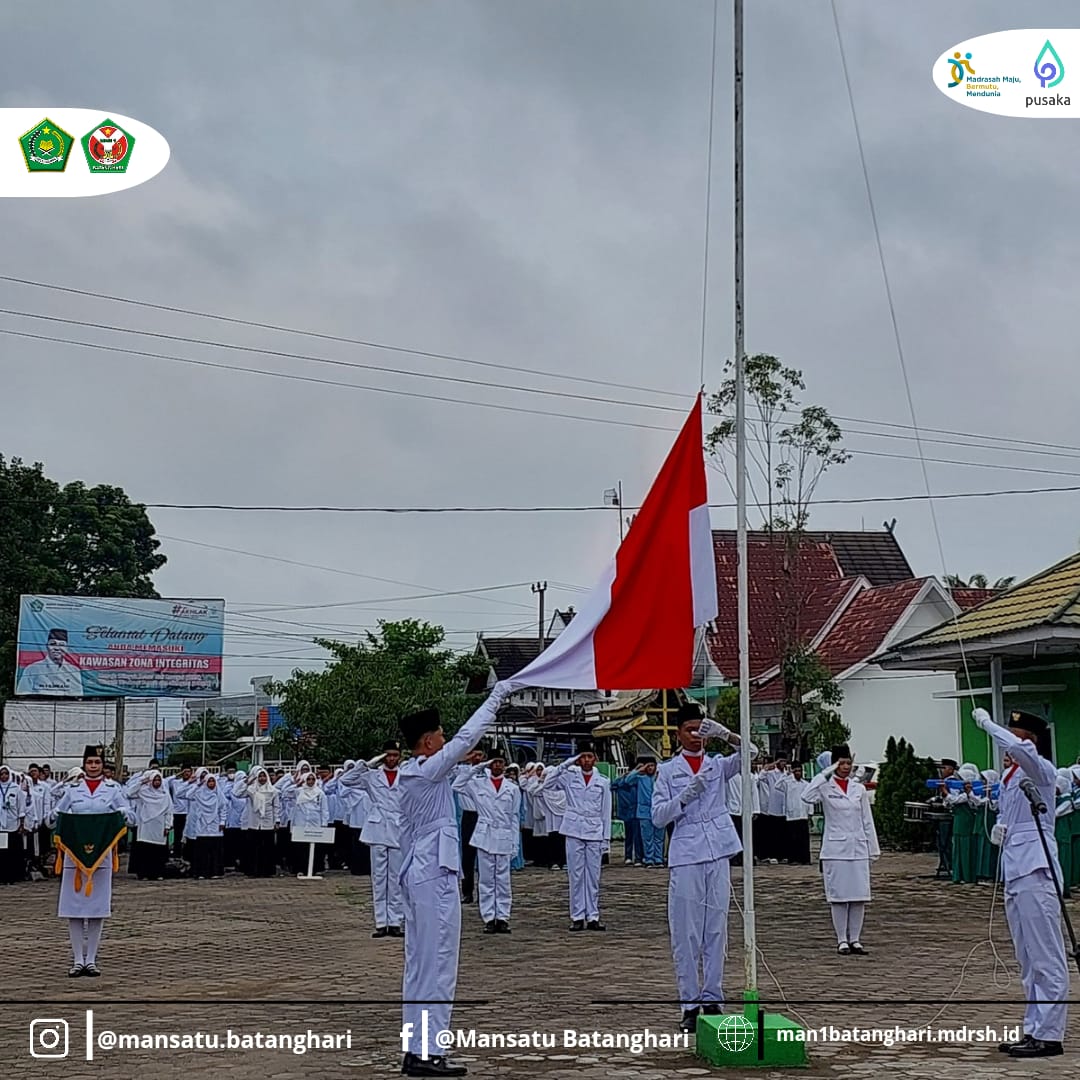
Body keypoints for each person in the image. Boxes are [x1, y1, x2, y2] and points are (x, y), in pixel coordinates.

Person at [397, 683, 512, 1078]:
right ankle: (429, 1051)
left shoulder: (415, 773)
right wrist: (496, 698)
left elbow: (460, 753)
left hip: (422, 872)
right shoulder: (427, 771)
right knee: (439, 964)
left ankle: (417, 1048)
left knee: (420, 965)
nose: (446, 740)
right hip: (434, 874)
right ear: (428, 742)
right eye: (440, 736)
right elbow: (466, 737)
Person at [652, 705, 756, 1033]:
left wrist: (726, 734)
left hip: (718, 849)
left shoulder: (718, 765)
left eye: (701, 730)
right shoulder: (668, 771)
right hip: (686, 851)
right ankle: (689, 1003)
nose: (696, 736)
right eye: (690, 730)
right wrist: (685, 795)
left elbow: (751, 752)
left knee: (716, 929)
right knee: (686, 931)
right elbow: (657, 817)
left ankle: (712, 997)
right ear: (678, 733)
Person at [973, 707, 1068, 1058]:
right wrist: (1003, 829)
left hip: (1036, 869)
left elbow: (1021, 750)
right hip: (1014, 868)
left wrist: (986, 723)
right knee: (1027, 957)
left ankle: (1051, 1033)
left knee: (1046, 956)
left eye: (1019, 737)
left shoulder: (1041, 769)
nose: (1010, 745)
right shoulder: (1010, 776)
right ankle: (1033, 1028)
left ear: (1032, 741)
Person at [49, 746, 133, 976]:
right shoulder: (73, 789)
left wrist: (124, 812)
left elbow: (131, 816)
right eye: (90, 762)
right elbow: (52, 818)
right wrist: (55, 816)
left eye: (97, 762)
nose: (93, 766)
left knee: (97, 909)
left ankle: (92, 960)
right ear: (84, 764)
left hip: (101, 857)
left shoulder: (113, 789)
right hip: (74, 858)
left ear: (102, 765)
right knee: (73, 909)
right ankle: (77, 960)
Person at [801, 744, 879, 956]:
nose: (845, 767)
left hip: (858, 847)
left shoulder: (858, 789)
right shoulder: (825, 787)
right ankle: (841, 940)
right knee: (839, 895)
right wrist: (825, 773)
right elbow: (806, 796)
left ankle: (855, 939)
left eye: (848, 763)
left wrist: (872, 848)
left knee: (859, 895)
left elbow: (866, 820)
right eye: (841, 763)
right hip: (835, 848)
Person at [539, 740, 611, 932]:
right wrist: (566, 763)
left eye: (589, 756)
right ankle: (577, 916)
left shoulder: (603, 782)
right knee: (576, 874)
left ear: (595, 758)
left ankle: (593, 915)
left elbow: (606, 812)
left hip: (594, 830)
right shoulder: (569, 777)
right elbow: (548, 784)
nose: (586, 760)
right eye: (583, 757)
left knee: (593, 876)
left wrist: (606, 839)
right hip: (573, 829)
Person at [453, 749, 521, 934]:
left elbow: (514, 817)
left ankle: (503, 916)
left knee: (503, 879)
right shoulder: (478, 784)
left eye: (500, 762)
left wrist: (515, 843)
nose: (497, 765)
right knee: (486, 879)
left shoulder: (512, 788)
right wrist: (478, 767)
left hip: (504, 834)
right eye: (494, 762)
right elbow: (457, 785)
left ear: (505, 765)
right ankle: (489, 917)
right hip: (484, 835)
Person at [341, 742, 405, 937]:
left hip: (398, 827)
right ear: (383, 756)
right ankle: (381, 922)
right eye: (388, 755)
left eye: (395, 755)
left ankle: (395, 921)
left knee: (395, 878)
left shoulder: (406, 776)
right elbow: (346, 780)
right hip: (377, 827)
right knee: (379, 878)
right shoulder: (372, 776)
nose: (392, 759)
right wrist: (367, 764)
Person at [125, 769, 174, 880]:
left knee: (158, 851)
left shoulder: (165, 796)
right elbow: (129, 793)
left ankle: (157, 873)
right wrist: (141, 782)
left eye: (159, 780)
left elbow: (169, 811)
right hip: (146, 825)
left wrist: (167, 826)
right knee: (145, 850)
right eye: (154, 780)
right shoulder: (144, 792)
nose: (157, 782)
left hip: (159, 826)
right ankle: (144, 874)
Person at [614, 757, 663, 867]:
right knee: (647, 837)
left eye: (652, 765)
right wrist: (639, 770)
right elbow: (627, 780)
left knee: (658, 837)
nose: (650, 768)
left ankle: (658, 858)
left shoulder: (659, 778)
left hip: (659, 810)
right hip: (644, 811)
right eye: (648, 766)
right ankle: (649, 859)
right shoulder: (640, 778)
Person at [236, 766, 280, 877]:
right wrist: (246, 782)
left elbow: (276, 807)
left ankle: (267, 871)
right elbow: (237, 793)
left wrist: (277, 821)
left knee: (267, 849)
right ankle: (253, 871)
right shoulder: (251, 790)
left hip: (268, 823)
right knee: (253, 849)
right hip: (254, 823)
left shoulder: (273, 791)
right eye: (259, 776)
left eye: (264, 776)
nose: (262, 778)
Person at [15, 627, 85, 695]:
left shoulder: (74, 670)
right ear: (47, 646)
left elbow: (77, 695)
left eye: (61, 645)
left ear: (67, 648)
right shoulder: (32, 669)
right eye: (53, 644)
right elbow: (23, 693)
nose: (57, 648)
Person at [454, 749, 483, 904]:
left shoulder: (488, 771)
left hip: (484, 815)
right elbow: (449, 768)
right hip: (469, 815)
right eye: (474, 754)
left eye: (479, 755)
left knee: (485, 856)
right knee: (468, 856)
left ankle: (484, 892)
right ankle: (467, 891)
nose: (476, 758)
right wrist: (461, 758)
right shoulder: (462, 770)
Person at [946, 764, 981, 884]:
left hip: (967, 823)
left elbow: (957, 800)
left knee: (967, 849)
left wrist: (946, 794)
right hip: (958, 822)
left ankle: (968, 875)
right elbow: (948, 803)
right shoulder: (960, 792)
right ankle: (958, 875)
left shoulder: (971, 794)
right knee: (958, 849)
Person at [187, 771, 227, 879]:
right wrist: (197, 785)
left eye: (213, 781)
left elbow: (223, 808)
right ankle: (201, 872)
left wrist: (222, 821)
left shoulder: (218, 794)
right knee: (202, 850)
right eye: (209, 781)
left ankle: (215, 872)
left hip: (215, 824)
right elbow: (188, 795)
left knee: (215, 850)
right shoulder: (199, 793)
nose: (211, 783)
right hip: (202, 823)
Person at [291, 770, 330, 874]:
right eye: (308, 779)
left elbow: (324, 809)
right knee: (301, 848)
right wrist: (296, 784)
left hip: (315, 823)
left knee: (315, 848)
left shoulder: (319, 793)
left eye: (313, 779)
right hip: (301, 823)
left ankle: (316, 869)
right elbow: (285, 793)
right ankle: (301, 869)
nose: (311, 781)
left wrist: (324, 824)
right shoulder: (299, 791)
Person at [0, 765, 30, 884]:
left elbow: (21, 807)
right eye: (1, 774)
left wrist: (22, 824)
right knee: (1, 853)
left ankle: (12, 877)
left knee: (12, 853)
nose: (4, 776)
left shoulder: (16, 788)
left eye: (6, 774)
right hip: (1, 827)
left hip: (13, 824)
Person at [613, 764, 643, 865]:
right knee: (629, 836)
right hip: (626, 812)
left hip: (635, 811)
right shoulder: (622, 782)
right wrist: (624, 775)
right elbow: (612, 784)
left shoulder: (638, 781)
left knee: (637, 836)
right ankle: (629, 856)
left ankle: (638, 857)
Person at [782, 763, 811, 865]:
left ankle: (805, 859)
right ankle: (793, 859)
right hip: (792, 815)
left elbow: (809, 799)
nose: (798, 773)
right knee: (793, 838)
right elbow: (777, 786)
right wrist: (786, 775)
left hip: (803, 814)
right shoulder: (788, 783)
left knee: (804, 839)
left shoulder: (806, 784)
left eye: (800, 771)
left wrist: (810, 813)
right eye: (796, 771)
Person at [168, 767, 194, 860]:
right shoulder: (175, 782)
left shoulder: (194, 783)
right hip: (178, 812)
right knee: (178, 834)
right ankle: (177, 854)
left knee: (188, 834)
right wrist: (176, 775)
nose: (187, 773)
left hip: (189, 812)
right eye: (185, 771)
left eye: (189, 771)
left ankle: (187, 855)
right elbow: (165, 781)